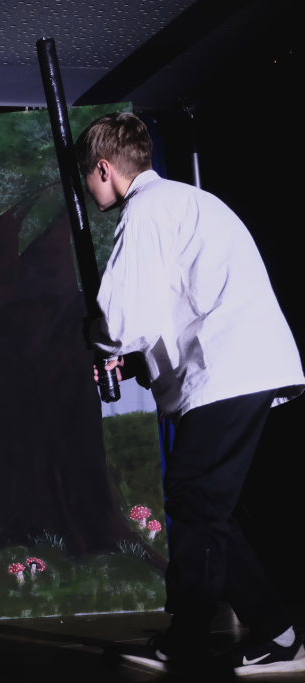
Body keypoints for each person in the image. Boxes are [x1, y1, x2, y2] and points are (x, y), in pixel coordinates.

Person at [77, 112, 305, 677]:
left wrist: (96, 337)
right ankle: (279, 634)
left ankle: (188, 640)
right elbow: (165, 308)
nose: (86, 187)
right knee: (207, 509)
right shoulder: (185, 202)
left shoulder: (147, 210)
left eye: (86, 176)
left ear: (103, 169)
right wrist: (131, 361)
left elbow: (122, 317)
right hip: (239, 367)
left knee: (196, 501)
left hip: (229, 369)